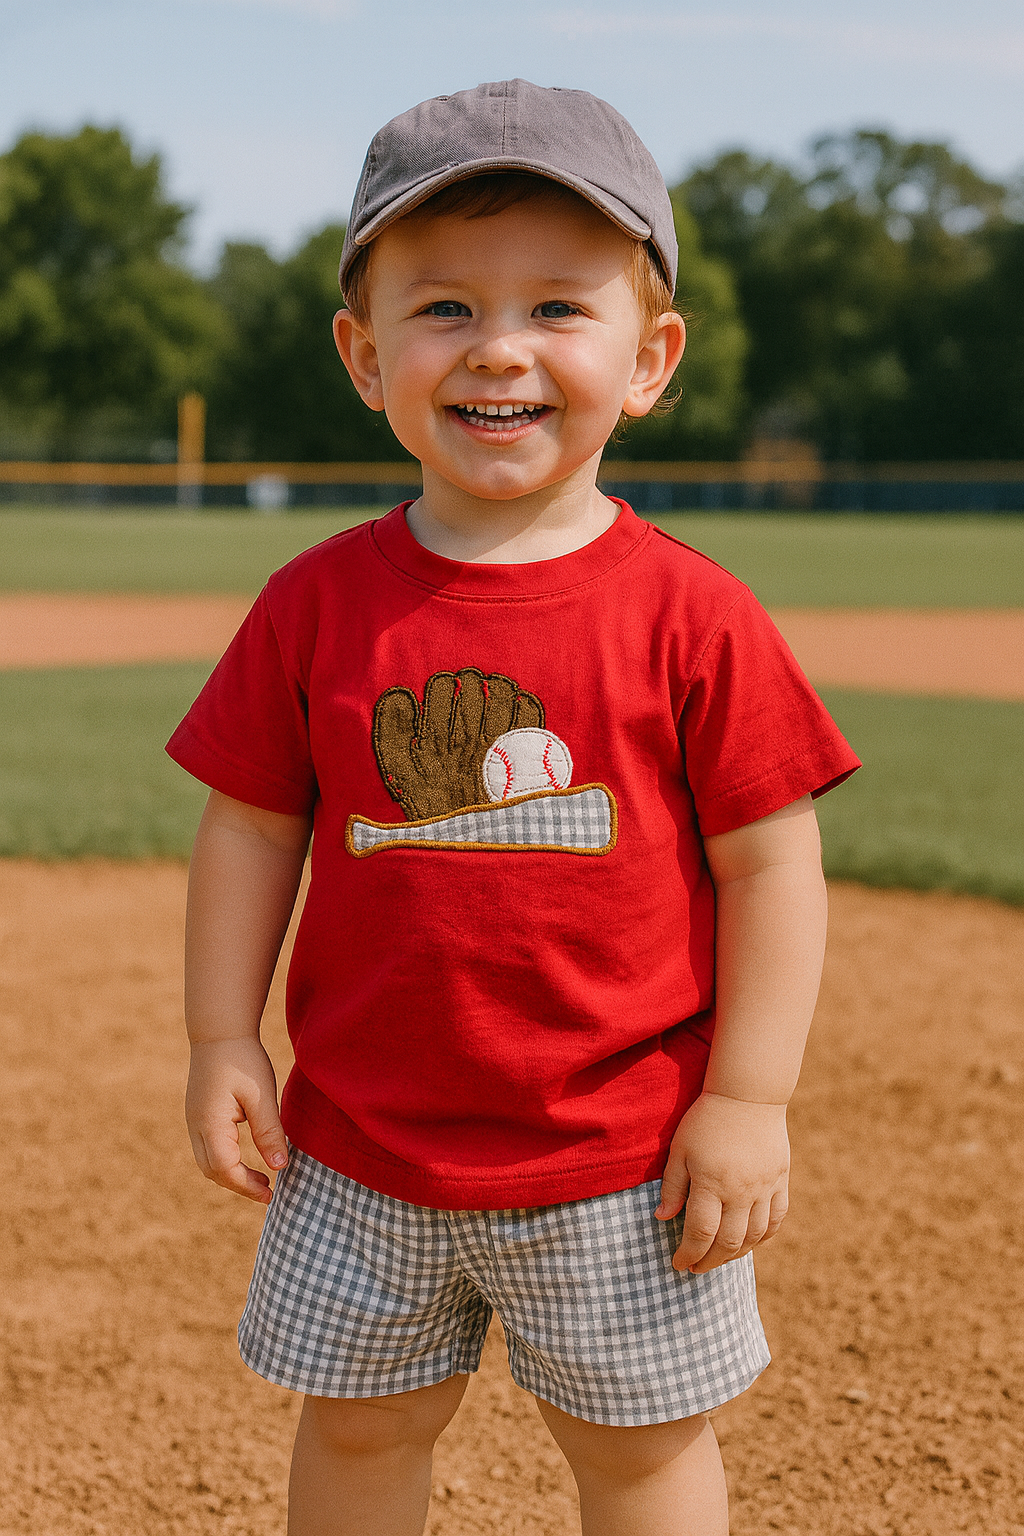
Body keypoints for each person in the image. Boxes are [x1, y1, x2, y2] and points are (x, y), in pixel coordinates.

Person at [168, 79, 860, 1536]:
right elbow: (249, 826)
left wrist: (748, 1099)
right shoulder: (314, 604)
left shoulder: (695, 613)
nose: (499, 349)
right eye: (443, 310)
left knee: (641, 1450)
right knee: (360, 1432)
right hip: (359, 1144)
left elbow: (771, 864)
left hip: (622, 1152)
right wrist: (224, 1033)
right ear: (365, 355)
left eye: (559, 308)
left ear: (651, 356)